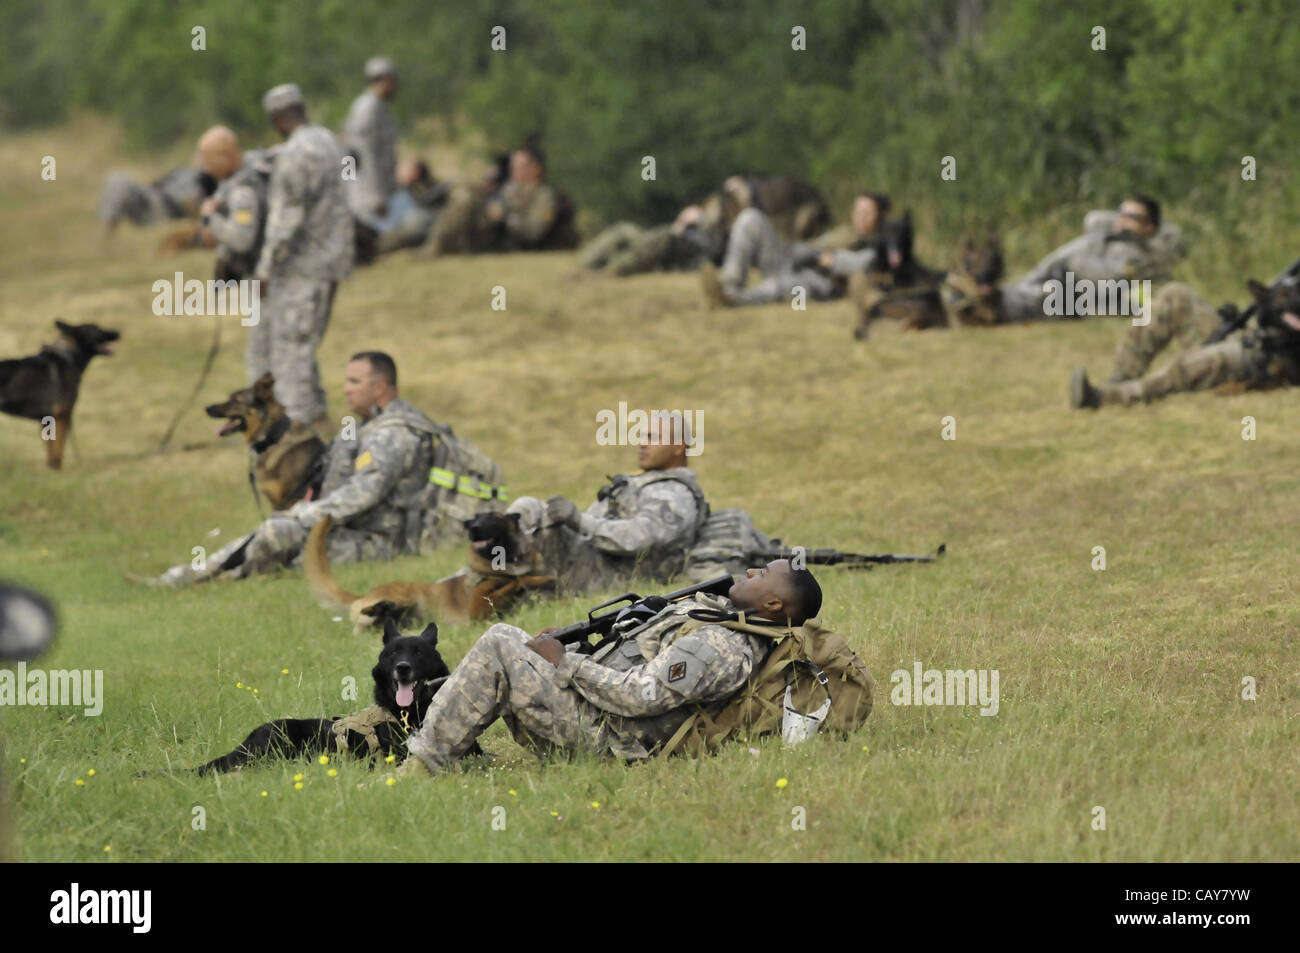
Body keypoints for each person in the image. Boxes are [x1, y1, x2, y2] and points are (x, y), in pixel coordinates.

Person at [400, 558, 823, 774]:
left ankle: (422, 764)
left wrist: (565, 662)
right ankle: (432, 737)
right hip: (598, 713)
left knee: (499, 641)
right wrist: (577, 648)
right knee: (514, 646)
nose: (752, 569)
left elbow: (642, 696)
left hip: (607, 737)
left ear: (773, 604)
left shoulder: (723, 645)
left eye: (764, 572)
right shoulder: (720, 614)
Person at [138, 352, 437, 587]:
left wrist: (301, 514)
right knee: (274, 534)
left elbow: (362, 496)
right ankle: (188, 576)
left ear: (380, 387)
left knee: (278, 535)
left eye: (354, 382)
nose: (345, 390)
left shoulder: (392, 434)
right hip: (347, 530)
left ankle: (213, 578)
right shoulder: (366, 427)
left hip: (381, 544)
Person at [505, 412, 708, 594]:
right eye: (642, 436)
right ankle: (488, 580)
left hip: (608, 578)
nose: (642, 443)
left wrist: (578, 520)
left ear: (679, 446)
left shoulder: (677, 494)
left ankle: (489, 582)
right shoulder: (644, 483)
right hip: (589, 562)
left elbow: (640, 537)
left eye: (653, 438)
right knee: (525, 515)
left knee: (528, 508)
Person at [254, 83, 354, 436]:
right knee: (306, 344)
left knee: (291, 349)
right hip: (333, 261)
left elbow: (286, 219)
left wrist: (264, 269)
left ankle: (295, 427)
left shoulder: (295, 154)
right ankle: (317, 418)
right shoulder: (329, 141)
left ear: (278, 119)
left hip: (303, 266)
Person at [1070, 278, 1300, 408]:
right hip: (1251, 335)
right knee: (1174, 295)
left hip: (1268, 357)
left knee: (1190, 367)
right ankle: (1122, 374)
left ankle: (1107, 397)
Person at [1000, 195, 1185, 322]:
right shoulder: (1098, 239)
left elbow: (1124, 284)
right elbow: (1052, 262)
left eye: (1132, 217)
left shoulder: (1147, 253)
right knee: (1022, 292)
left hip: (1084, 298)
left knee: (1032, 299)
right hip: (1060, 283)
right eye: (1121, 214)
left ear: (1149, 227)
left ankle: (991, 304)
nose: (1123, 220)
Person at [700, 191, 891, 308]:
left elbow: (863, 264)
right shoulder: (843, 232)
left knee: (785, 285)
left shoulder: (879, 244)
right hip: (789, 260)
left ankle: (733, 300)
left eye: (867, 213)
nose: (860, 217)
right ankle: (728, 285)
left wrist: (834, 260)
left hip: (813, 283)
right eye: (858, 211)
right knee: (750, 218)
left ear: (880, 216)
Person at [191, 126, 275, 283]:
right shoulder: (245, 169)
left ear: (225, 157)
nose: (206, 170)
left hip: (266, 274)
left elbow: (241, 240)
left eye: (209, 163)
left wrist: (210, 218)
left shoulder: (243, 193)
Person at [341, 57, 400, 231]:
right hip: (366, 196)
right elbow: (357, 154)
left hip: (375, 189)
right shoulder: (367, 108)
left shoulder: (379, 107)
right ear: (385, 80)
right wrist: (375, 198)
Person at [98, 163, 213, 234]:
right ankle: (106, 231)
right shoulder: (182, 171)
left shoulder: (205, 181)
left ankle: (105, 236)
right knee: (115, 179)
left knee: (119, 182)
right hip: (148, 197)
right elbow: (156, 183)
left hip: (162, 211)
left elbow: (191, 204)